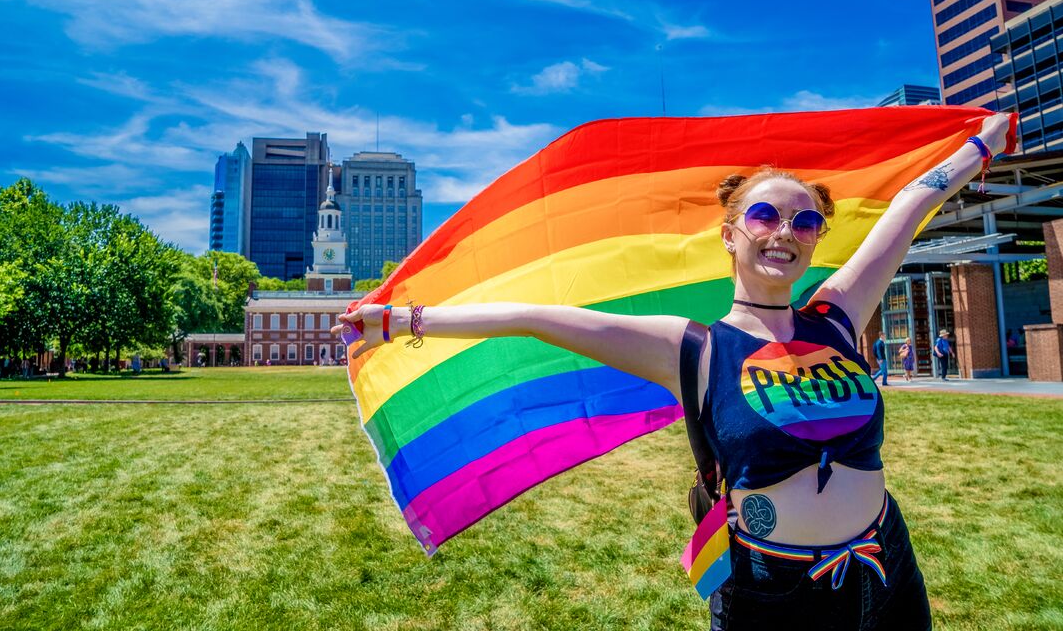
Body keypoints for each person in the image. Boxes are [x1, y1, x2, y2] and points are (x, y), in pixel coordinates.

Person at [334, 114, 1010, 628]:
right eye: (765, 215)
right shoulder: (695, 348)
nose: (785, 232)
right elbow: (535, 318)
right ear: (730, 233)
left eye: (804, 221)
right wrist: (400, 320)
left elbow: (908, 209)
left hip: (884, 566)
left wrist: (978, 145)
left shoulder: (837, 316)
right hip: (770, 590)